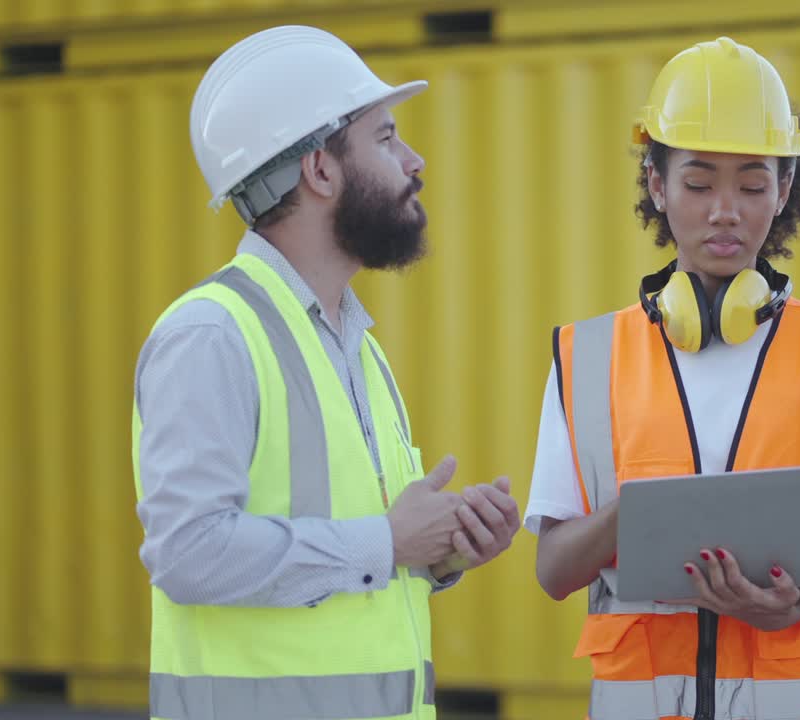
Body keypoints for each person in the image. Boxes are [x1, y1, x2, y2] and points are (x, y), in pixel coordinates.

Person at [132, 25, 518, 720]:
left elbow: (354, 562)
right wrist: (388, 540)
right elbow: (188, 553)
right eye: (386, 138)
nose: (414, 160)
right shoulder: (211, 336)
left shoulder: (354, 342)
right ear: (320, 170)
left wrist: (438, 553)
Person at [524, 36, 800, 720]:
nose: (725, 210)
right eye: (698, 183)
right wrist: (637, 515)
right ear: (656, 185)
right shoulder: (587, 358)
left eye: (753, 185)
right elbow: (553, 571)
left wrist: (792, 606)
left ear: (784, 189)